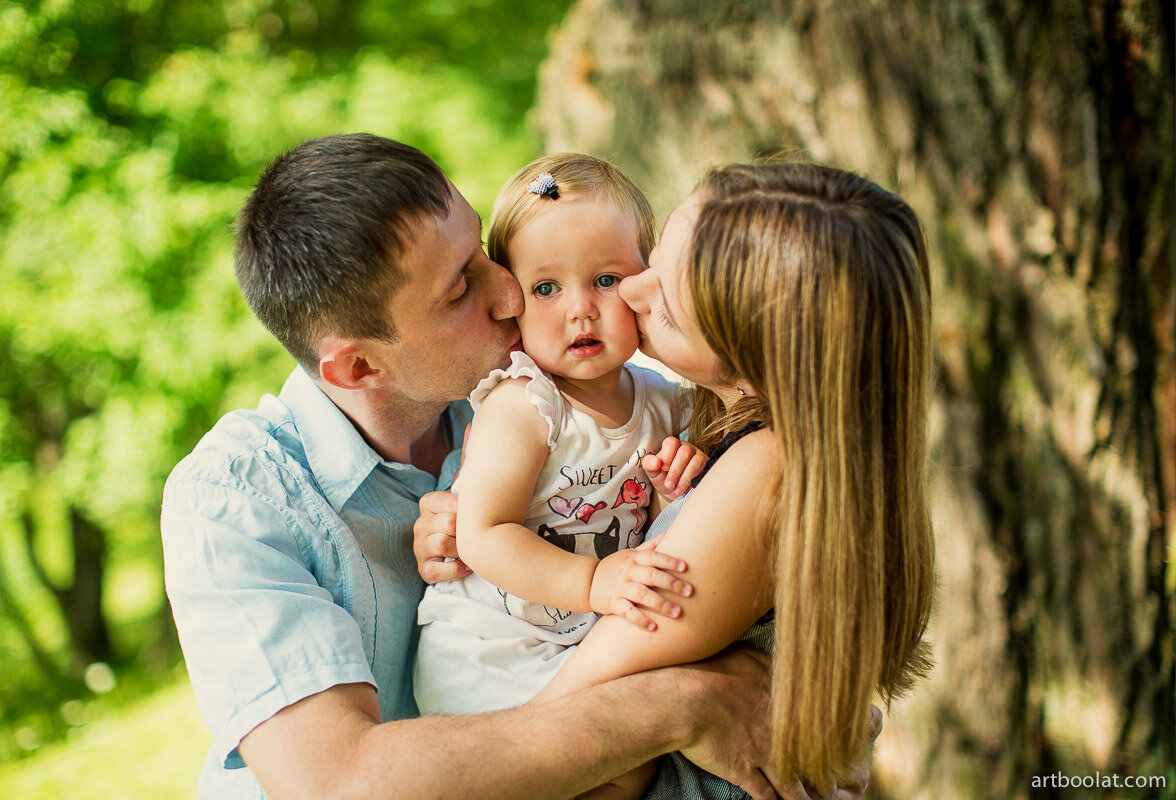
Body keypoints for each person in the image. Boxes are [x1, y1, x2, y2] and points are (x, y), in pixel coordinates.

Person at [160, 132, 790, 800]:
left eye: (484, 253)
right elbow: (338, 784)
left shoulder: (535, 394)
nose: (512, 294)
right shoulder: (237, 500)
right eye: (462, 288)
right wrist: (674, 706)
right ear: (359, 366)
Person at [419, 162, 933, 799]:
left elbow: (559, 727)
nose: (630, 295)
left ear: (750, 366)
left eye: (662, 301)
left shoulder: (766, 466)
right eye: (654, 262)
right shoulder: (724, 433)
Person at [414, 154, 707, 718]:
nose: (580, 310)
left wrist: (672, 489)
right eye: (546, 287)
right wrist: (594, 581)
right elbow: (483, 534)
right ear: (512, 299)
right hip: (490, 650)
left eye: (605, 280)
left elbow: (655, 527)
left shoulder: (666, 400)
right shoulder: (524, 405)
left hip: (582, 642)